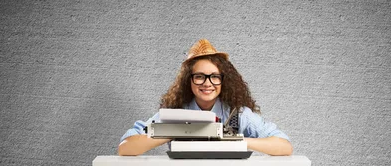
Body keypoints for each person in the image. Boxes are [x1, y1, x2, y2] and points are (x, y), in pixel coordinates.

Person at [118, 39, 293, 156]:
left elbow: (285, 146)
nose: (207, 83)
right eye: (199, 76)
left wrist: (233, 140)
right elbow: (126, 147)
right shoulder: (175, 114)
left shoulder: (237, 115)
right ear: (189, 81)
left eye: (215, 77)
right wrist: (178, 131)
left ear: (224, 80)